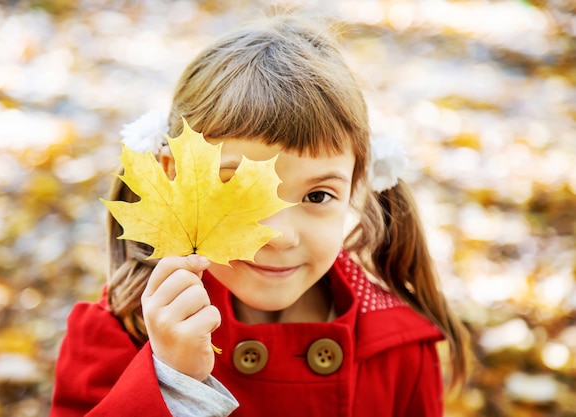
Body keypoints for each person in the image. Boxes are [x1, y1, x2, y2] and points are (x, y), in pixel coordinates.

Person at [50, 13, 468, 417]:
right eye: (238, 191)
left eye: (318, 196)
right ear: (174, 176)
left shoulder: (397, 349)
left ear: (357, 186)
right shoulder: (120, 333)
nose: (279, 235)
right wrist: (174, 384)